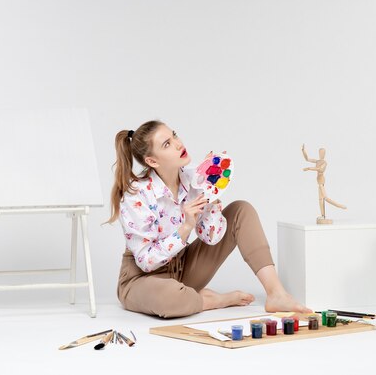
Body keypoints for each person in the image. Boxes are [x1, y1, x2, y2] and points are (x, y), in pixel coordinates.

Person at [106, 120, 311, 318]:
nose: (178, 144)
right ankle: (211, 301)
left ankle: (276, 294)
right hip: (143, 280)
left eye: (174, 135)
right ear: (152, 161)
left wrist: (210, 196)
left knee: (241, 210)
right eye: (167, 144)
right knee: (170, 297)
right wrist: (186, 227)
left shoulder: (194, 177)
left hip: (184, 269)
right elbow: (146, 262)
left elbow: (211, 238)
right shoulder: (137, 195)